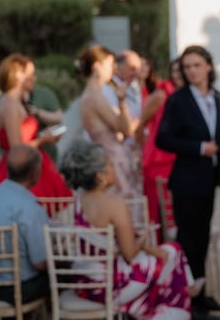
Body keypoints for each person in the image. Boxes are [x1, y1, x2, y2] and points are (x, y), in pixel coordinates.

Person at [59, 139, 198, 320]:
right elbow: (130, 254)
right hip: (111, 286)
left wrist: (146, 246)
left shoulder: (78, 201)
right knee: (174, 251)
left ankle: (176, 303)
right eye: (109, 164)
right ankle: (172, 309)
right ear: (100, 176)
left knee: (167, 257)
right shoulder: (115, 205)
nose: (113, 168)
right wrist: (145, 237)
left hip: (84, 285)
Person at [156, 45, 220, 316]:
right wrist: (198, 148)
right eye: (187, 66)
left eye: (196, 65)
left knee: (202, 240)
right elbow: (163, 139)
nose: (191, 71)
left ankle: (201, 296)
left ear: (208, 66)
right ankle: (187, 301)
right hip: (185, 183)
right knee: (188, 242)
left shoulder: (215, 97)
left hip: (207, 182)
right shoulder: (178, 100)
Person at [0, 54, 72, 200]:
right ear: (18, 75)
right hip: (22, 171)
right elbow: (16, 149)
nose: (34, 78)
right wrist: (43, 140)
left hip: (32, 166)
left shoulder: (15, 102)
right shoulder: (10, 104)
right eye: (31, 74)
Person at [0, 144, 50, 304]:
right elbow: (40, 263)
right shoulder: (30, 208)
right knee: (62, 276)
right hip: (17, 289)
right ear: (34, 173)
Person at [78, 45, 138, 199]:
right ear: (97, 66)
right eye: (110, 64)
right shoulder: (95, 96)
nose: (114, 68)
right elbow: (125, 129)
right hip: (111, 162)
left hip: (106, 158)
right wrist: (122, 101)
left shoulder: (92, 95)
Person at [139, 59, 184, 241]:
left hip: (179, 158)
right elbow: (140, 124)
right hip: (159, 160)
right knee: (158, 212)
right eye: (175, 70)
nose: (178, 74)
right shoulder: (162, 93)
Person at [102, 50, 143, 195]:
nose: (137, 72)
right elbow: (118, 126)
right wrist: (137, 124)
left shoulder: (133, 86)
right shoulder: (108, 89)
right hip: (117, 153)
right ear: (118, 68)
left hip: (132, 152)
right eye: (132, 68)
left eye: (138, 68)